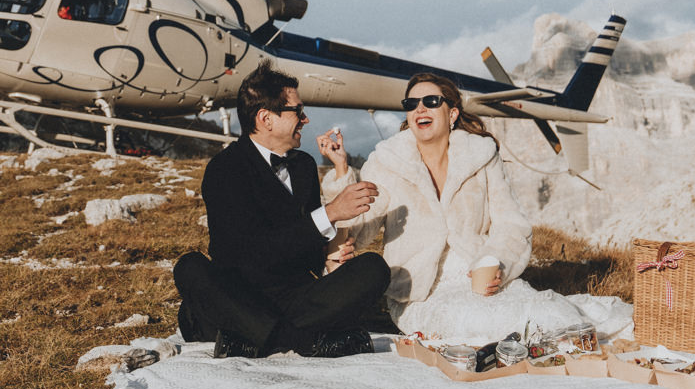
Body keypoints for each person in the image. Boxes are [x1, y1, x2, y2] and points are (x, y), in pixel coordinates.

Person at [319, 72, 590, 343]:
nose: (420, 108)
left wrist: (499, 265)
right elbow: (356, 231)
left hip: (482, 279)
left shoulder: (482, 156)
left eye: (431, 101)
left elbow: (511, 224)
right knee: (476, 326)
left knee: (554, 315)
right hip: (420, 292)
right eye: (411, 104)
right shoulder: (388, 162)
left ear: (452, 114)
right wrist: (341, 170)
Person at [174, 63, 391, 358]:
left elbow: (304, 245)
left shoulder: (302, 165)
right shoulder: (225, 169)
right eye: (297, 111)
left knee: (373, 269)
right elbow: (241, 257)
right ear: (266, 118)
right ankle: (304, 340)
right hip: (243, 297)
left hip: (296, 298)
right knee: (190, 268)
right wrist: (329, 214)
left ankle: (257, 338)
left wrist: (328, 251)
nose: (305, 119)